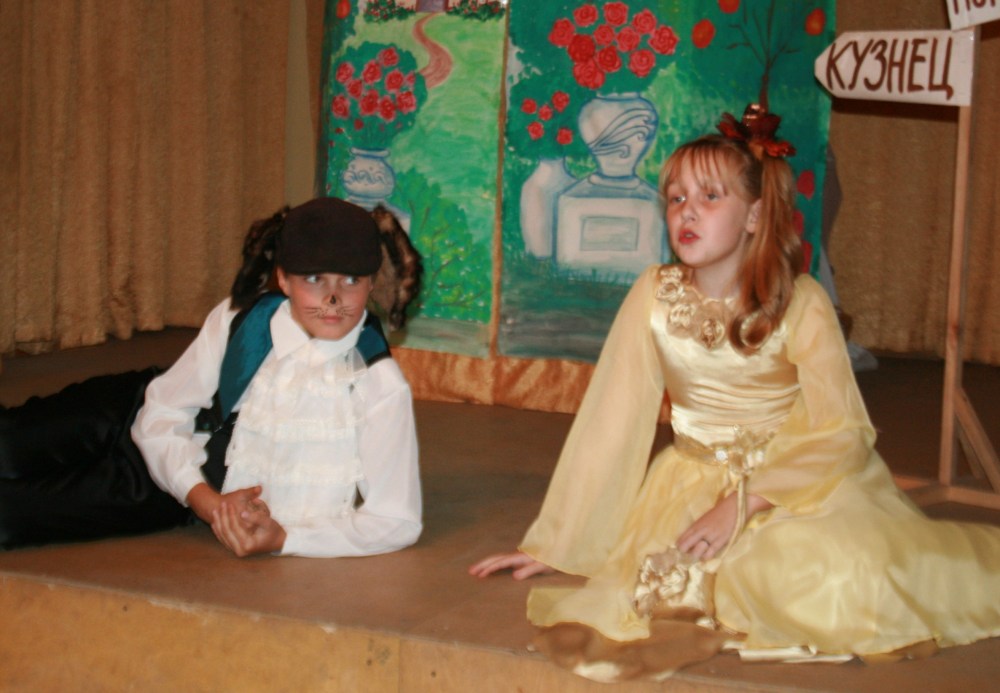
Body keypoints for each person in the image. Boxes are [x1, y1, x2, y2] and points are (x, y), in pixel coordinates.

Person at [470, 106, 1000, 681]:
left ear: (754, 215)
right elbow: (609, 423)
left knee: (841, 578)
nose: (687, 211)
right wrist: (555, 541)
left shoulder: (799, 301)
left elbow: (844, 431)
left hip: (792, 485)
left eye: (710, 197)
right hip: (687, 486)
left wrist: (745, 502)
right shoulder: (654, 294)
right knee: (682, 590)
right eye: (676, 198)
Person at [1, 197, 423, 558]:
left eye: (351, 280)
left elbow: (396, 520)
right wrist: (207, 504)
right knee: (11, 443)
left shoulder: (378, 384)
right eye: (314, 279)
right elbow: (163, 411)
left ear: (372, 284)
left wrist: (286, 539)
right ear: (283, 279)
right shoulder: (242, 319)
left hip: (164, 488)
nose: (333, 299)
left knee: (15, 515)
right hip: (134, 408)